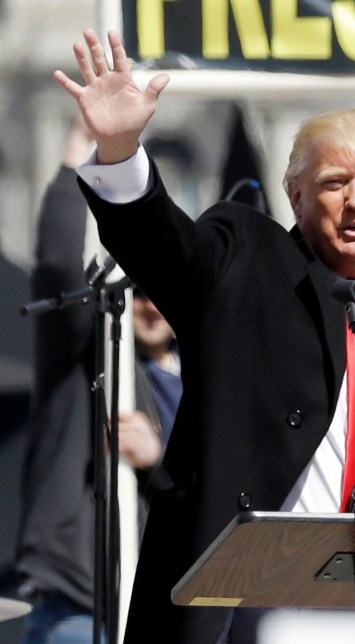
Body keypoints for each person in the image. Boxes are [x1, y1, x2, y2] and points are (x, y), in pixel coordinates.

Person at [53, 29, 355, 644]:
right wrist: (119, 147)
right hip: (239, 600)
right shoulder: (245, 261)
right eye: (334, 183)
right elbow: (164, 248)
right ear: (295, 195)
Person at [15, 115, 181, 644]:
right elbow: (60, 266)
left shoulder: (200, 376)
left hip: (163, 611)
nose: (150, 302)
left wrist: (160, 457)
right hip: (81, 610)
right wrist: (78, 151)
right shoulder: (89, 353)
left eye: (163, 288)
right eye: (138, 289)